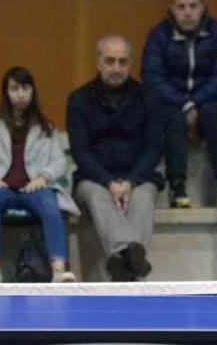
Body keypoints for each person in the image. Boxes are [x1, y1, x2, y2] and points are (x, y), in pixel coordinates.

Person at [0, 66, 79, 283]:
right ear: (6, 92)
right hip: (2, 189)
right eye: (14, 88)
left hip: (33, 189)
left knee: (50, 201)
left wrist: (43, 177)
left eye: (25, 88)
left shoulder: (46, 127)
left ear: (33, 91)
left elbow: (59, 161)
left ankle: (58, 272)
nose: (20, 94)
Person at [68, 35, 163, 281]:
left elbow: (154, 148)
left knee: (143, 197)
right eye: (110, 61)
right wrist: (109, 182)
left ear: (130, 64)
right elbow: (80, 151)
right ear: (98, 63)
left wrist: (129, 183)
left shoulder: (149, 98)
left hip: (138, 178)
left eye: (122, 62)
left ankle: (123, 268)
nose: (116, 68)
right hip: (94, 179)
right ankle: (130, 254)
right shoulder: (78, 99)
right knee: (96, 196)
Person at [142, 0, 217, 208]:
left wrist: (194, 103)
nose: (187, 12)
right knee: (172, 120)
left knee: (213, 116)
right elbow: (153, 77)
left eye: (192, 6)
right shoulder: (158, 35)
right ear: (172, 9)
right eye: (181, 7)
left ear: (202, 7)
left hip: (207, 101)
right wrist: (185, 105)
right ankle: (177, 186)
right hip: (171, 103)